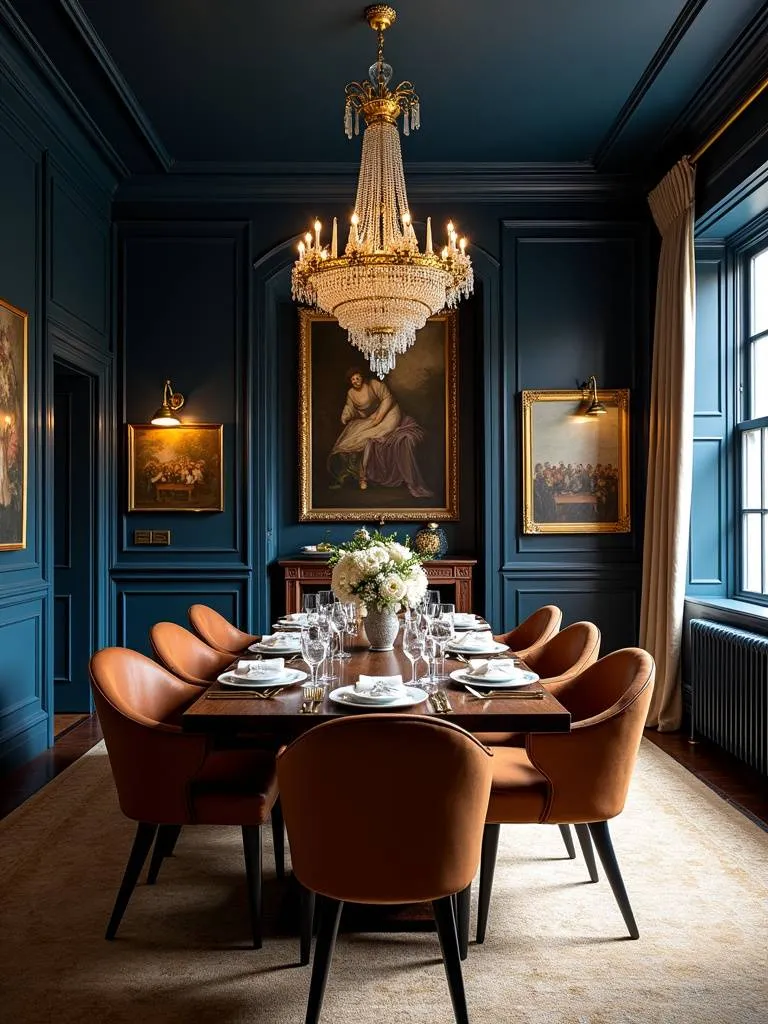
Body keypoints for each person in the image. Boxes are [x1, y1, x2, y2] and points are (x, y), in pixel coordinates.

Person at [328, 367, 432, 498]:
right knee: (352, 435)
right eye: (352, 379)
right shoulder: (351, 393)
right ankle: (354, 472)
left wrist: (379, 417)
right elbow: (349, 407)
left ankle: (363, 476)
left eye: (357, 378)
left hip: (390, 413)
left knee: (372, 435)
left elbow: (387, 399)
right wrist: (345, 416)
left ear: (362, 377)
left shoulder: (374, 384)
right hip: (372, 418)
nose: (355, 381)